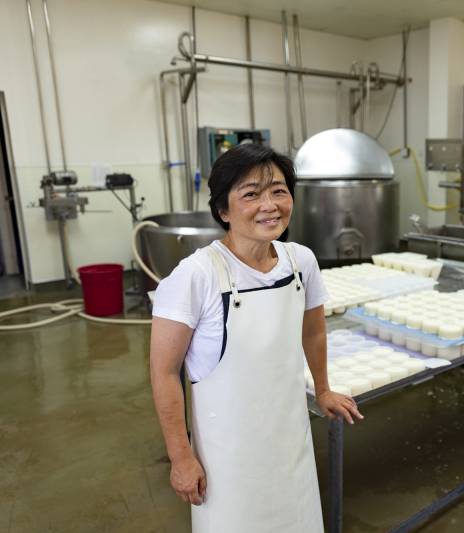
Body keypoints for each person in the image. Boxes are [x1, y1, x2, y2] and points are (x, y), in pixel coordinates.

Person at [149, 143, 363, 532]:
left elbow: (312, 330)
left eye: (279, 191)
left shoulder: (301, 261)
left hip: (289, 438)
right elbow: (164, 373)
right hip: (227, 456)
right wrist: (181, 457)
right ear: (223, 210)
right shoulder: (195, 276)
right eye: (251, 194)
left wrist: (324, 388)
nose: (270, 205)